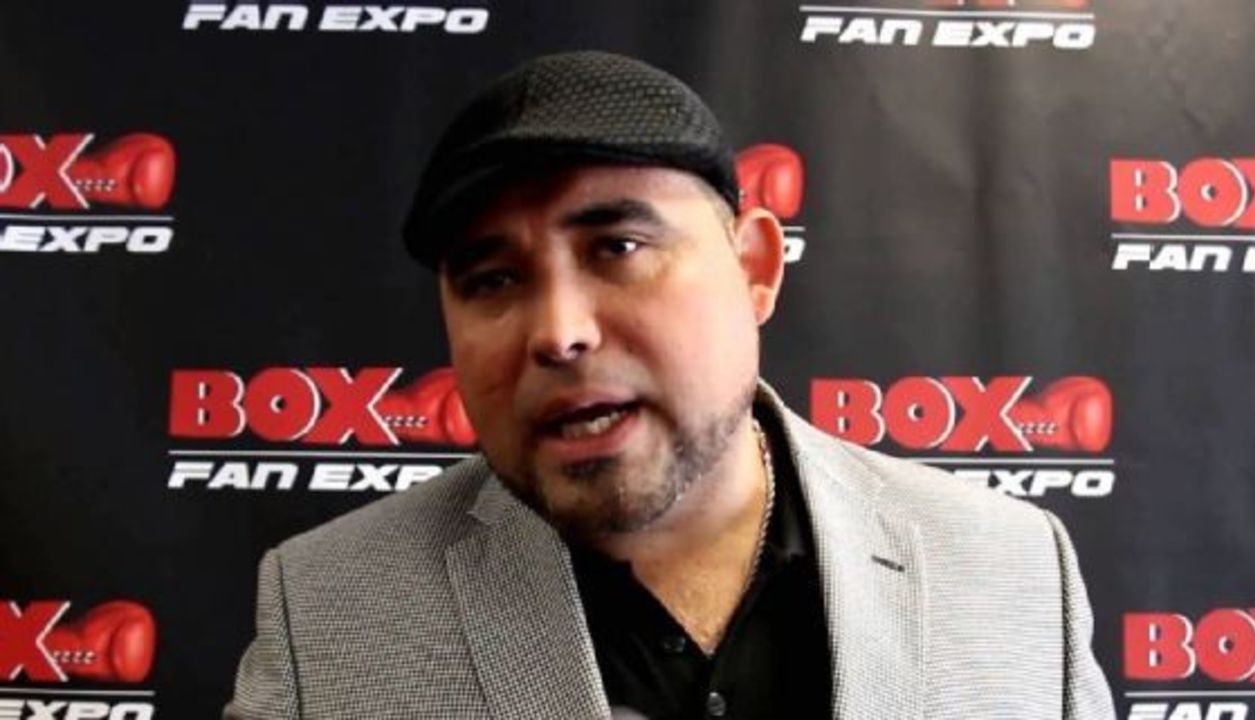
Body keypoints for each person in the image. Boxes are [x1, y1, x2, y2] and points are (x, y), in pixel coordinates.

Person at [225, 51, 1116, 719]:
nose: (559, 332)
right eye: (493, 279)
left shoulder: (1007, 569)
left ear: (754, 268)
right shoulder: (328, 611)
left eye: (617, 248)